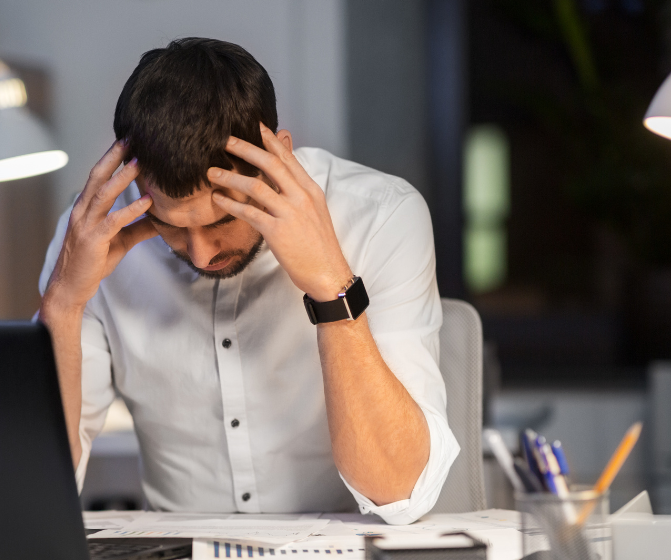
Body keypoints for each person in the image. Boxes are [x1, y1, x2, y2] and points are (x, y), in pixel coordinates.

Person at [37, 37, 458, 525]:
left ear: (277, 157)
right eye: (170, 225)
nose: (199, 252)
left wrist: (331, 286)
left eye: (221, 221)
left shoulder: (381, 217)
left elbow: (400, 491)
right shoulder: (90, 238)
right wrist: (63, 304)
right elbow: (40, 487)